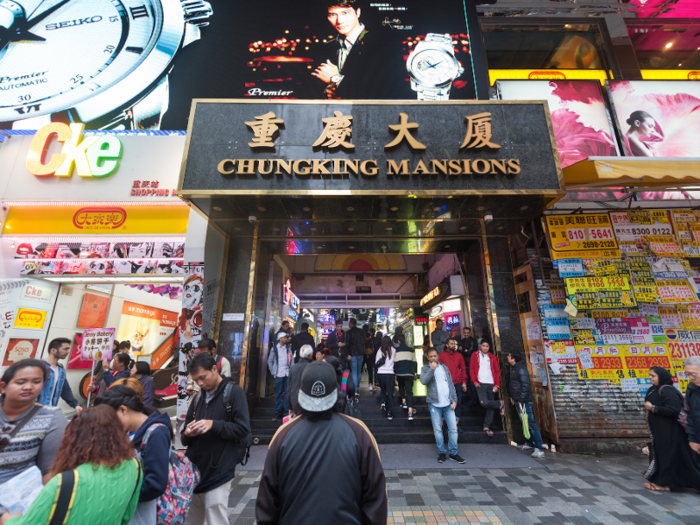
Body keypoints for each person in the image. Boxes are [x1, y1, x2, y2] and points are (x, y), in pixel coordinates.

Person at [256, 361, 387, 525]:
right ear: (336, 392)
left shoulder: (283, 436)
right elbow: (376, 498)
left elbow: (267, 504)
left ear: (300, 392)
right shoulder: (359, 433)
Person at [0, 405, 142, 525]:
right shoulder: (135, 467)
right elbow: (126, 516)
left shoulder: (65, 482)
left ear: (76, 439)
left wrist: (9, 520)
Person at [182, 354, 251, 525]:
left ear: (214, 369)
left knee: (216, 518)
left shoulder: (233, 392)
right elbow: (185, 433)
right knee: (191, 519)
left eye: (202, 378)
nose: (200, 384)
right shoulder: (198, 397)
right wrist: (187, 434)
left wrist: (214, 424)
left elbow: (243, 429)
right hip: (195, 471)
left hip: (219, 469)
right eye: (196, 380)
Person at [96, 386, 172, 523]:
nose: (109, 426)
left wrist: (117, 493)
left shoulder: (157, 434)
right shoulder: (127, 432)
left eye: (110, 419)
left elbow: (155, 484)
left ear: (123, 410)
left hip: (142, 517)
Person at [0, 360, 67, 486]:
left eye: (36, 382)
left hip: (17, 501)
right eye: (21, 382)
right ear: (3, 387)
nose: (29, 387)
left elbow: (51, 470)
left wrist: (29, 502)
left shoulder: (52, 417)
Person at [643, 366, 700, 491]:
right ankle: (666, 483)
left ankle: (664, 484)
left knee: (669, 456)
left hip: (670, 431)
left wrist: (653, 408)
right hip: (661, 431)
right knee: (667, 456)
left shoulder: (667, 390)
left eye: (653, 376)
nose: (650, 378)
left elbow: (673, 410)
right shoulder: (654, 389)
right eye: (650, 375)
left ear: (661, 377)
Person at [420, 348, 465, 464]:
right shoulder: (425, 368)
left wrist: (454, 399)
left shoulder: (444, 367)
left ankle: (454, 453)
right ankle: (442, 452)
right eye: (431, 356)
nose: (434, 358)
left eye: (435, 356)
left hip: (448, 403)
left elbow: (450, 384)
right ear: (428, 357)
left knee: (453, 429)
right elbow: (423, 381)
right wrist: (431, 369)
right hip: (435, 404)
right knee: (438, 430)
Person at [507, 353, 544, 459]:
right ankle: (529, 443)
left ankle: (539, 448)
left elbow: (525, 385)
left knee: (530, 422)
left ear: (513, 358)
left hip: (524, 401)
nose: (508, 357)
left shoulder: (520, 369)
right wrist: (513, 397)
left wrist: (521, 400)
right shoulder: (514, 368)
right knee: (525, 422)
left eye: (509, 356)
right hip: (519, 399)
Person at [470, 340, 504, 438]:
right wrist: (475, 381)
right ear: (480, 345)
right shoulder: (475, 355)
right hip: (480, 383)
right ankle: (500, 403)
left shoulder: (492, 357)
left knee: (490, 406)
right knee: (484, 402)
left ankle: (487, 426)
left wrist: (497, 385)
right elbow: (472, 369)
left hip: (491, 383)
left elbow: (497, 371)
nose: (485, 347)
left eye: (487, 346)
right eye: (483, 345)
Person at [39, 337, 82, 414]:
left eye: (68, 349)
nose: (68, 351)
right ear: (53, 351)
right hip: (35, 411)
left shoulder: (60, 369)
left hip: (50, 411)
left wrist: (76, 405)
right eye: (65, 349)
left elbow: (65, 390)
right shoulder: (39, 367)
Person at [439, 338, 467, 428]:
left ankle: (455, 424)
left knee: (457, 403)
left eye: (454, 344)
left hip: (457, 382)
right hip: (445, 383)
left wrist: (464, 382)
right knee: (444, 402)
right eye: (451, 344)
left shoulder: (459, 355)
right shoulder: (441, 356)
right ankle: (443, 424)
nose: (453, 345)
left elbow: (463, 369)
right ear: (447, 345)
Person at [268, 323, 293, 420]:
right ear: (280, 339)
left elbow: (291, 360)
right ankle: (278, 411)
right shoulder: (275, 348)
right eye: (284, 337)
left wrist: (291, 370)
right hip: (278, 374)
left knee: (287, 393)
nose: (286, 338)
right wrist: (273, 371)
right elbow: (270, 361)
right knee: (278, 393)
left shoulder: (288, 348)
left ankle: (286, 411)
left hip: (287, 373)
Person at [393, 333, 416, 420]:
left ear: (398, 341)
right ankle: (410, 413)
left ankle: (404, 402)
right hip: (409, 373)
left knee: (401, 386)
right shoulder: (410, 350)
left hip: (400, 373)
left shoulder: (396, 350)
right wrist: (415, 373)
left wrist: (395, 372)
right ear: (405, 340)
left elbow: (394, 363)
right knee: (409, 392)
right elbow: (414, 362)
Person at [288, 344, 314, 416]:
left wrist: (290, 406)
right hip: (307, 402)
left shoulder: (293, 367)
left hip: (294, 401)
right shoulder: (311, 367)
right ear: (309, 355)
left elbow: (289, 387)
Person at [375, 335, 395, 420]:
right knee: (390, 392)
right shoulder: (393, 350)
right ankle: (390, 412)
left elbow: (376, 362)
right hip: (390, 373)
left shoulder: (380, 349)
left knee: (383, 389)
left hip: (381, 374)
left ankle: (383, 402)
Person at [684, 356, 700, 456]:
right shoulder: (691, 389)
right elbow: (690, 415)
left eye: (693, 374)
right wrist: (693, 439)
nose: (690, 377)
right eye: (687, 374)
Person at [460, 327, 479, 406]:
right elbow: (460, 351)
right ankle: (471, 399)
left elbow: (471, 352)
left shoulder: (473, 341)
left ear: (470, 333)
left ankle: (475, 399)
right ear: (463, 333)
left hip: (472, 364)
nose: (466, 334)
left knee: (473, 383)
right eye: (465, 332)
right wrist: (465, 350)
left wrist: (464, 350)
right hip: (464, 364)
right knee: (467, 383)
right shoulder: (462, 341)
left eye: (468, 332)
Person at [345, 318, 365, 393]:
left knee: (354, 371)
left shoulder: (349, 332)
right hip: (361, 353)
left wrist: (348, 354)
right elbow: (364, 342)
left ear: (350, 323)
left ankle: (356, 389)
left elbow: (348, 343)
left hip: (352, 354)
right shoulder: (362, 332)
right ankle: (357, 387)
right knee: (359, 371)